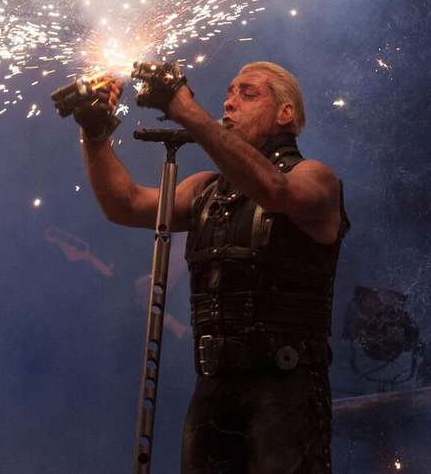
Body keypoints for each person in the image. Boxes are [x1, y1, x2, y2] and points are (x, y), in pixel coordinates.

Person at [71, 60, 348, 473]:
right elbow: (124, 203)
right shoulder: (206, 190)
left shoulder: (317, 179)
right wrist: (94, 135)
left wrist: (184, 108)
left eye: (248, 93)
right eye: (230, 92)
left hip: (285, 393)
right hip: (213, 390)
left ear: (284, 113)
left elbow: (274, 190)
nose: (229, 101)